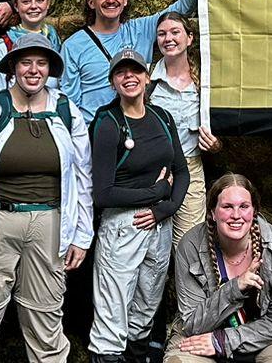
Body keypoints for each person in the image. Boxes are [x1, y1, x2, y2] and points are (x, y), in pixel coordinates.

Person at [0, 32, 92, 363]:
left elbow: (83, 177)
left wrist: (81, 235)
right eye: (26, 62)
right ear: (13, 67)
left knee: (46, 315)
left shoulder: (67, 112)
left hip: (50, 224)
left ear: (50, 69)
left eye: (41, 63)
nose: (33, 70)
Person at [88, 48, 190, 363]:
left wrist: (166, 207)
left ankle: (137, 354)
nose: (129, 77)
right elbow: (102, 193)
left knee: (146, 308)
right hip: (123, 225)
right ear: (113, 80)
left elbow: (182, 171)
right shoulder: (108, 123)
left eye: (135, 71)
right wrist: (154, 191)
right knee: (113, 312)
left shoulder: (162, 117)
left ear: (147, 77)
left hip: (160, 222)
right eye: (121, 72)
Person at [166, 174, 272, 363]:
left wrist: (224, 341)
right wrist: (235, 288)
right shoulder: (191, 246)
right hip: (203, 331)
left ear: (254, 211)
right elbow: (193, 324)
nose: (236, 215)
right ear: (212, 212)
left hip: (266, 334)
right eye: (227, 207)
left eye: (244, 207)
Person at [61, 0, 197, 121]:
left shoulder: (141, 30)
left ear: (125, 0)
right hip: (95, 132)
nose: (111, 0)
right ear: (91, 2)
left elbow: (183, 8)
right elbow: (70, 103)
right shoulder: (73, 46)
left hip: (138, 130)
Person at [149, 11, 220, 245]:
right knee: (151, 243)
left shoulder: (206, 83)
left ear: (189, 38)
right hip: (151, 169)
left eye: (175, 32)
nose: (168, 38)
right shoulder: (146, 78)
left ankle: (186, 284)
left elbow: (221, 130)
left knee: (189, 244)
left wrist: (216, 145)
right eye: (162, 34)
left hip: (191, 167)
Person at [0, 0, 61, 93]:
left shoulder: (54, 40)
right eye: (26, 2)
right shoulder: (4, 46)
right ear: (16, 6)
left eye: (40, 0)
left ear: (48, 3)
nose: (33, 6)